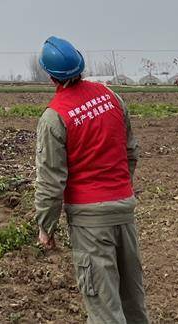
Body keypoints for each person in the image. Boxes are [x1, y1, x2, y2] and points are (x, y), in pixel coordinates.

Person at [34, 36, 148, 324]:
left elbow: (51, 182)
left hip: (90, 223)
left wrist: (46, 227)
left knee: (104, 309)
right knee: (132, 303)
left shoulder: (54, 117)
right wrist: (119, 190)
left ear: (50, 76)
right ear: (81, 65)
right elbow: (130, 151)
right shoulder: (111, 97)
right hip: (124, 210)